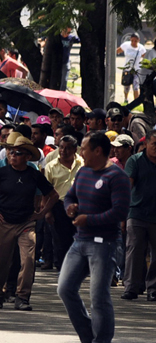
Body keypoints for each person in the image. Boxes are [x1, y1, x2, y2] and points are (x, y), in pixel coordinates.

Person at [57, 131, 131, 343]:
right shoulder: (83, 172)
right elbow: (70, 195)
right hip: (80, 241)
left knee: (98, 298)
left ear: (98, 151)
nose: (81, 152)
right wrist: (69, 207)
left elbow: (119, 212)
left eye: (84, 149)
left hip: (104, 244)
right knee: (65, 289)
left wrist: (88, 219)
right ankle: (88, 336)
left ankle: (102, 340)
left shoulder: (117, 177)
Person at [0, 136, 58, 311]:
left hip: (26, 224)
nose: (13, 155)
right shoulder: (1, 172)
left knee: (28, 260)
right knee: (0, 261)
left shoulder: (34, 174)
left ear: (27, 157)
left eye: (18, 153)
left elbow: (53, 195)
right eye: (11, 152)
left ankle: (22, 296)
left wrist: (42, 213)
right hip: (3, 222)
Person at [122, 130, 156, 300]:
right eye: (154, 144)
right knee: (134, 250)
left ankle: (153, 288)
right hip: (136, 212)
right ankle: (132, 287)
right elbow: (127, 186)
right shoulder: (135, 161)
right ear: (146, 144)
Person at [44, 135, 83, 270]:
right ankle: (62, 268)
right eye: (61, 147)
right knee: (60, 240)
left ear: (74, 149)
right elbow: (45, 191)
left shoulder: (83, 164)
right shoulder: (50, 166)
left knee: (80, 238)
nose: (63, 151)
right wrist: (47, 211)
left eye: (67, 148)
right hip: (58, 207)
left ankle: (78, 268)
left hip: (80, 207)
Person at [117, 34, 144, 101]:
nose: (133, 42)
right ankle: (126, 99)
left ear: (138, 40)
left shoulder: (141, 48)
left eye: (135, 41)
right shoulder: (126, 45)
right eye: (132, 40)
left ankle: (136, 101)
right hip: (127, 69)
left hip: (137, 70)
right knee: (126, 86)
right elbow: (118, 51)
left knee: (136, 86)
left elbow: (145, 57)